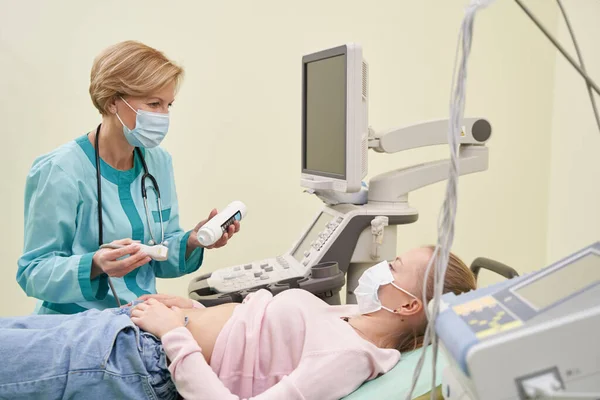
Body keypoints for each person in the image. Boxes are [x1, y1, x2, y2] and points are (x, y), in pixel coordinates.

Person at [0, 246, 477, 399]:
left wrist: (174, 334)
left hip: (136, 361)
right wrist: (193, 314)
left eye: (394, 267)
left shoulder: (350, 356)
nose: (380, 268)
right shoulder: (352, 318)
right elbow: (256, 339)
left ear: (411, 306)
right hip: (131, 330)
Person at [16, 40, 240, 314]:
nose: (164, 116)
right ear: (113, 102)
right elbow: (33, 272)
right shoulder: (60, 170)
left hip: (140, 319)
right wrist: (96, 264)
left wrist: (193, 241)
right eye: (153, 103)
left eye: (169, 105)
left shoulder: (157, 161)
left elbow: (159, 255)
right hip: (75, 328)